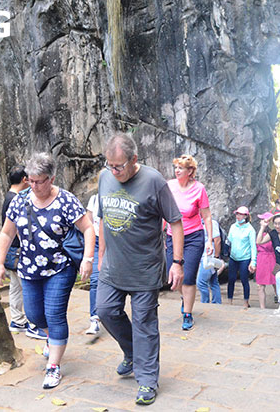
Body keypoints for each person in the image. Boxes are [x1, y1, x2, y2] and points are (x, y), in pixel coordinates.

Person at [0, 153, 96, 390]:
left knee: (54, 314)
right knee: (34, 316)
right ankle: (52, 338)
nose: (34, 185)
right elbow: (7, 233)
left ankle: (53, 367)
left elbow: (88, 228)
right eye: (30, 180)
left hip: (59, 268)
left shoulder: (66, 200)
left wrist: (88, 259)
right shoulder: (20, 200)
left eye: (40, 181)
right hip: (29, 269)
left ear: (51, 178)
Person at [96, 133, 184, 406]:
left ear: (134, 160)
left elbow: (176, 222)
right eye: (110, 164)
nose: (114, 171)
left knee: (145, 325)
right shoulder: (105, 177)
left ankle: (147, 381)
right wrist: (100, 256)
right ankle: (133, 352)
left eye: (119, 166)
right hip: (113, 266)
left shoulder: (153, 180)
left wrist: (177, 263)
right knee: (105, 311)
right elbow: (102, 218)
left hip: (145, 269)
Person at [165, 154, 212, 330]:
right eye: (176, 167)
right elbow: (164, 212)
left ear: (190, 171)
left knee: (189, 276)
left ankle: (187, 314)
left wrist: (209, 241)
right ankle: (185, 297)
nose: (177, 171)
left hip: (193, 236)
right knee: (174, 277)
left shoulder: (199, 189)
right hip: (172, 236)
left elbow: (206, 217)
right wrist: (160, 234)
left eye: (181, 168)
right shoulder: (169, 186)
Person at [1, 165, 47, 340]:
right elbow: (19, 226)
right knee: (29, 287)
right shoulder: (16, 199)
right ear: (24, 180)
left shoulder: (7, 197)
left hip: (11, 248)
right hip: (20, 249)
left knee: (15, 286)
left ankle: (17, 320)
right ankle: (34, 324)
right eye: (29, 179)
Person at [226, 206, 257, 308]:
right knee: (231, 279)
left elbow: (253, 247)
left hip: (245, 258)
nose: (238, 216)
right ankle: (229, 301)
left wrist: (253, 262)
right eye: (237, 214)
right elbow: (229, 240)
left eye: (240, 214)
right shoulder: (233, 227)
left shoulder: (250, 229)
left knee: (244, 280)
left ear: (246, 216)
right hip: (233, 257)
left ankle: (245, 302)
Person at [196, 218, 224, 304]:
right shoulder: (198, 222)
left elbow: (217, 240)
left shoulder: (212, 223)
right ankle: (217, 303)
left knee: (201, 282)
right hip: (204, 256)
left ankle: (205, 303)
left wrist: (216, 257)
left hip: (209, 256)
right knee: (213, 282)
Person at [84, 194, 101, 335]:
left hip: (114, 243)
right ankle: (94, 319)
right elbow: (88, 220)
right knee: (95, 279)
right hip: (96, 241)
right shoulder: (94, 199)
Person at [255, 212, 277, 308]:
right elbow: (258, 242)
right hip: (262, 259)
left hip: (272, 258)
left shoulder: (273, 233)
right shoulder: (261, 232)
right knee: (260, 285)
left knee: (276, 283)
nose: (260, 222)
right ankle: (262, 307)